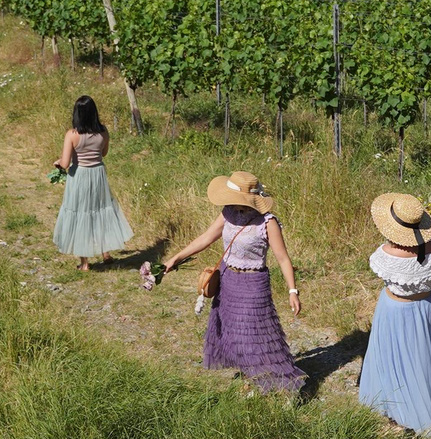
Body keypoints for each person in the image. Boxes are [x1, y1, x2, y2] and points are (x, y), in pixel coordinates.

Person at [161, 172, 302, 396]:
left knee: (254, 335)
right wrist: (175, 258)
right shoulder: (227, 213)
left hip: (253, 284)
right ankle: (251, 378)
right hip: (228, 280)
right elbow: (206, 238)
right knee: (234, 332)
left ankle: (282, 384)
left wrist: (292, 290)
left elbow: (283, 259)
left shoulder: (268, 222)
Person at [357, 192, 431, 435]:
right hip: (426, 308)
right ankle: (430, 408)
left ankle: (399, 408)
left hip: (392, 310)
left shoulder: (385, 254)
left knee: (392, 358)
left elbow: (386, 279)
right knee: (427, 358)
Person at [50, 95, 134, 270]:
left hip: (79, 176)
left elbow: (65, 163)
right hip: (98, 175)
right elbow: (103, 153)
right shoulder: (103, 131)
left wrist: (57, 163)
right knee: (100, 210)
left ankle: (85, 263)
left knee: (82, 213)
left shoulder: (72, 134)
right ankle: (106, 254)